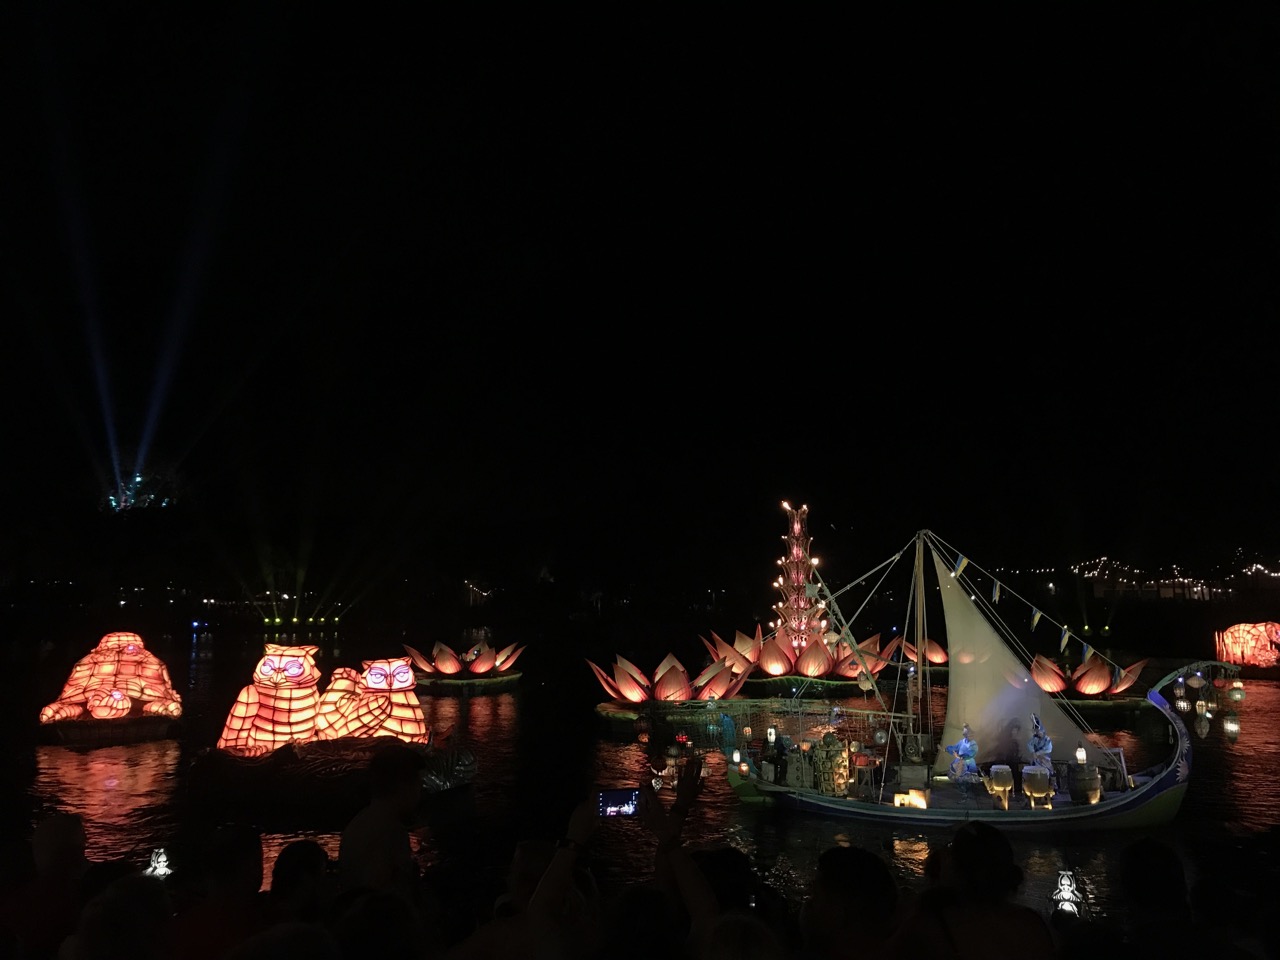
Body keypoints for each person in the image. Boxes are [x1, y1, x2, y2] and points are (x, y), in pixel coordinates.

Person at [338, 741, 436, 927]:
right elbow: (379, 892)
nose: (421, 790)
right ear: (403, 786)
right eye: (418, 783)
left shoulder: (361, 822)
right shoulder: (389, 830)